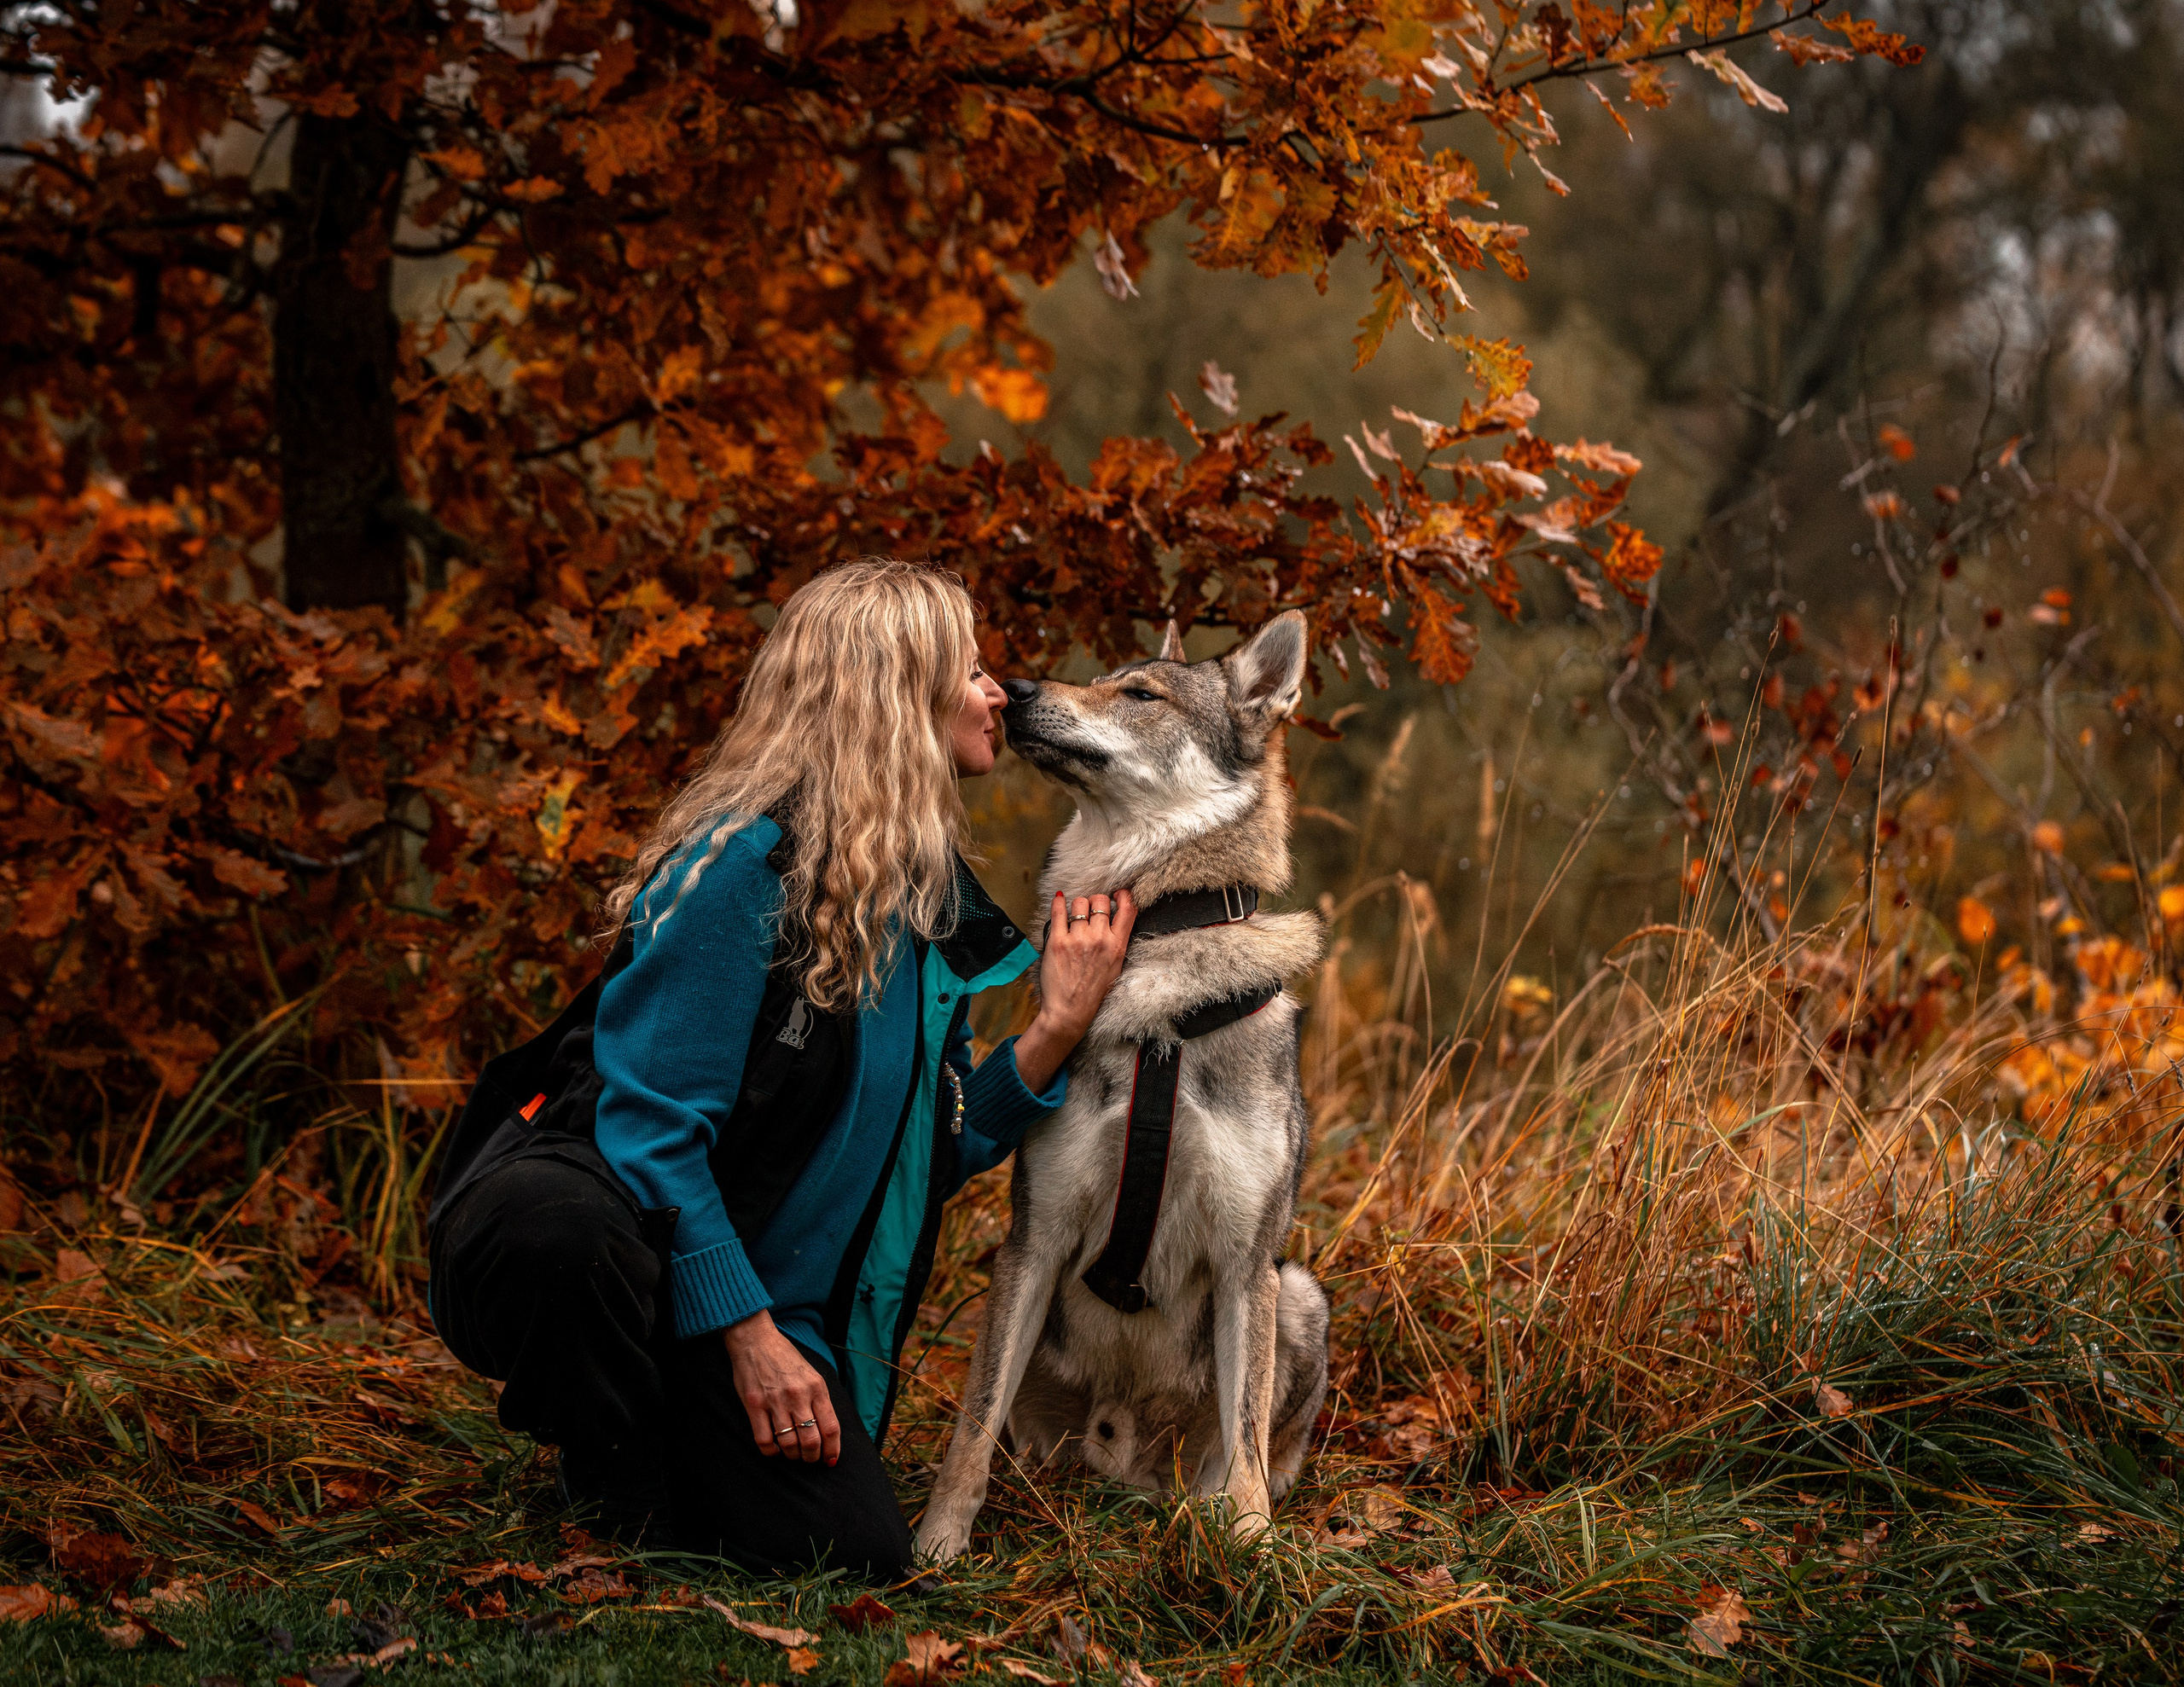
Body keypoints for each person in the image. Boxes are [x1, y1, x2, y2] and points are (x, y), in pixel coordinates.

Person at [427, 559, 1135, 1579]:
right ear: (894, 695)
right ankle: (611, 1469)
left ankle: (672, 1448)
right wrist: (751, 1336)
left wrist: (1057, 1029)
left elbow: (918, 1158)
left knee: (852, 1555)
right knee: (562, 1231)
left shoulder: (926, 914)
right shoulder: (742, 870)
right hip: (605, 1250)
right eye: (970, 669)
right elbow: (651, 1131)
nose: (997, 692)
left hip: (752, 1304)